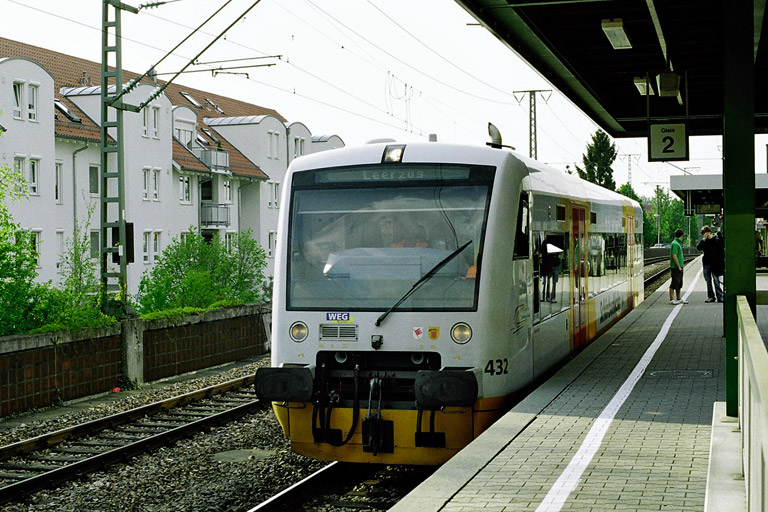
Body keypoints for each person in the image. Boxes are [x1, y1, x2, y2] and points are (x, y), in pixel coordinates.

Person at [697, 226, 724, 303]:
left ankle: (720, 296)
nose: (704, 235)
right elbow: (699, 248)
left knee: (716, 281)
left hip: (715, 264)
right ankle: (711, 297)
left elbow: (721, 246)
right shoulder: (704, 242)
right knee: (708, 281)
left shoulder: (715, 240)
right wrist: (703, 240)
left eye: (705, 233)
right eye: (703, 233)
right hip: (706, 264)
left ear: (709, 232)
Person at [669, 229, 688, 305]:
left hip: (678, 267)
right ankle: (671, 299)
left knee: (679, 283)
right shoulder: (676, 244)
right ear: (681, 236)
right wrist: (679, 266)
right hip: (676, 267)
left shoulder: (676, 243)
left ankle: (679, 298)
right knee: (674, 283)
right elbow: (674, 255)